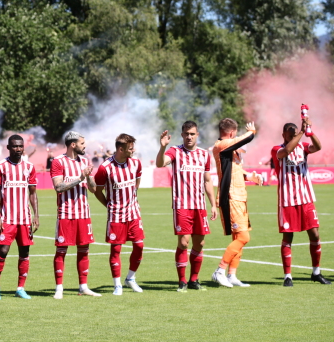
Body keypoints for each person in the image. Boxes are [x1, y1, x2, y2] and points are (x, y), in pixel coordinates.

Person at [156, 121, 217, 292]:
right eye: (186, 134)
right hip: (182, 205)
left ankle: (194, 280)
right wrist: (162, 148)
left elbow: (207, 181)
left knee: (200, 243)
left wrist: (213, 204)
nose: (189, 137)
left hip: (200, 206)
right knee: (184, 242)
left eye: (192, 134)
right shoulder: (175, 151)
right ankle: (182, 281)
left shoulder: (204, 155)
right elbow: (160, 163)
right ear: (182, 135)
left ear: (197, 135)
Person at [271, 118, 330, 286]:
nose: (291, 136)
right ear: (283, 134)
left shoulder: (303, 148)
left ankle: (316, 272)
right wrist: (302, 133)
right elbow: (286, 151)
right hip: (288, 200)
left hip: (306, 199)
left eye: (293, 133)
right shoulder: (277, 149)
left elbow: (318, 147)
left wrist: (309, 132)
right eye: (289, 134)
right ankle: (287, 276)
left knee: (315, 234)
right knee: (288, 237)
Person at [211, 119, 261, 288]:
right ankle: (219, 271)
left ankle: (232, 275)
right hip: (231, 196)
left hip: (240, 196)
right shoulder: (221, 145)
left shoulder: (233, 151)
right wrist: (251, 132)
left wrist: (251, 177)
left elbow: (236, 171)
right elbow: (244, 139)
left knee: (239, 236)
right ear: (232, 133)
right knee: (244, 237)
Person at [92, 133, 144, 296]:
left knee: (139, 246)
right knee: (116, 250)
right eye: (130, 148)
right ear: (121, 149)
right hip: (116, 216)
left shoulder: (136, 163)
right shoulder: (105, 167)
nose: (133, 150)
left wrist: (133, 199)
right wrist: (108, 204)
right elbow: (97, 190)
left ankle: (130, 278)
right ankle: (117, 285)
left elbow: (137, 182)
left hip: (133, 213)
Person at [0, 135, 39, 300]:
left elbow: (33, 193)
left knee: (25, 252)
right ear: (8, 147)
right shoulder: (0, 167)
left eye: (20, 146)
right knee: (3, 251)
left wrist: (36, 215)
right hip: (7, 218)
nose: (18, 149)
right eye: (15, 146)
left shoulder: (29, 167)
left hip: (24, 219)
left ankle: (20, 288)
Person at [51, 131, 100, 299]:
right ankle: (59, 288)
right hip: (66, 213)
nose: (84, 146)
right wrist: (80, 178)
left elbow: (93, 189)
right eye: (82, 143)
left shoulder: (85, 161)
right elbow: (58, 187)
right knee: (61, 250)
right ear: (73, 145)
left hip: (83, 213)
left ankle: (84, 286)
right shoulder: (58, 162)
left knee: (84, 250)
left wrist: (89, 177)